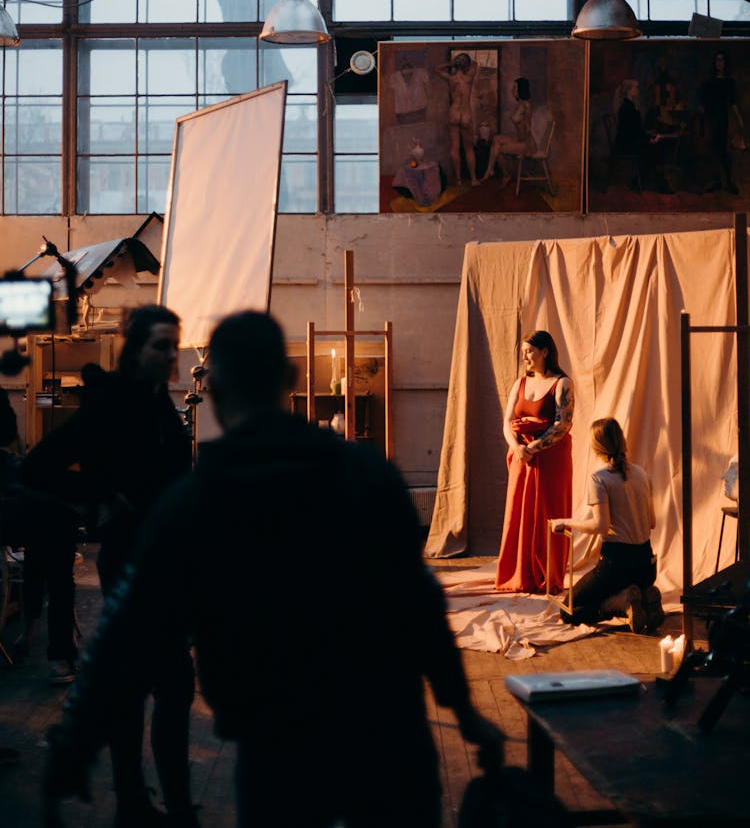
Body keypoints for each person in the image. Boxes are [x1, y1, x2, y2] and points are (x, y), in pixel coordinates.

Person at [43, 310, 505, 828]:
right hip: (387, 739)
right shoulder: (367, 474)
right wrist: (465, 713)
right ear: (289, 383)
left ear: (212, 390)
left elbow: (121, 635)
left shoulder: (191, 507)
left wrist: (72, 748)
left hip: (275, 753)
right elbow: (419, 605)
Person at [21, 304, 196, 828]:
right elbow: (37, 467)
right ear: (135, 349)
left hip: (161, 566)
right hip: (132, 567)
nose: (171, 356)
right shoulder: (112, 403)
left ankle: (139, 804)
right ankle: (157, 805)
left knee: (150, 687)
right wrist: (101, 497)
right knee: (164, 686)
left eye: (173, 346)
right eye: (160, 346)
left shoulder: (155, 401)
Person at [552, 416, 664, 634]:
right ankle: (641, 596)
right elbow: (652, 522)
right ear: (621, 441)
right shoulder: (642, 474)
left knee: (568, 610)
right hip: (646, 566)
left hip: (617, 567)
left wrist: (566, 522)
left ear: (596, 447)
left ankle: (621, 604)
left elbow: (600, 526)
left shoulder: (599, 478)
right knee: (614, 584)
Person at [495, 330, 573, 594]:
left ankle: (546, 575)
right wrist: (517, 447)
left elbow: (563, 424)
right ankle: (519, 574)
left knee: (547, 514)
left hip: (550, 459)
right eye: (524, 352)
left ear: (545, 352)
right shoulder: (519, 384)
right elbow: (507, 421)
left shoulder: (562, 384)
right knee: (518, 513)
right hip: (521, 457)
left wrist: (533, 448)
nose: (525, 356)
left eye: (529, 351)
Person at [699, 49, 743, 195]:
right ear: (714, 63)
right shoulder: (709, 82)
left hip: (723, 119)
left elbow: (733, 103)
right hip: (711, 119)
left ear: (725, 63)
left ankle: (729, 182)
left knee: (723, 151)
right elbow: (703, 104)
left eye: (722, 60)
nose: (719, 63)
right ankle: (716, 181)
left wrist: (739, 119)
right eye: (717, 60)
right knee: (712, 150)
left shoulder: (729, 82)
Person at [481, 77, 537, 186]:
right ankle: (491, 170)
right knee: (496, 138)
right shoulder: (520, 104)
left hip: (527, 144)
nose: (512, 90)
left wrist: (527, 149)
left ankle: (503, 174)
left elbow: (528, 128)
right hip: (519, 140)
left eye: (515, 87)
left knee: (498, 150)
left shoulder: (526, 105)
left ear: (521, 89)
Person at [434, 52, 479, 185]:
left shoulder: (451, 78)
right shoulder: (469, 76)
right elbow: (474, 63)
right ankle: (473, 179)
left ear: (456, 64)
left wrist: (451, 63)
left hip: (454, 112)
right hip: (466, 113)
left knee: (454, 147)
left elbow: (436, 69)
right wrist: (463, 63)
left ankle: (458, 179)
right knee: (469, 148)